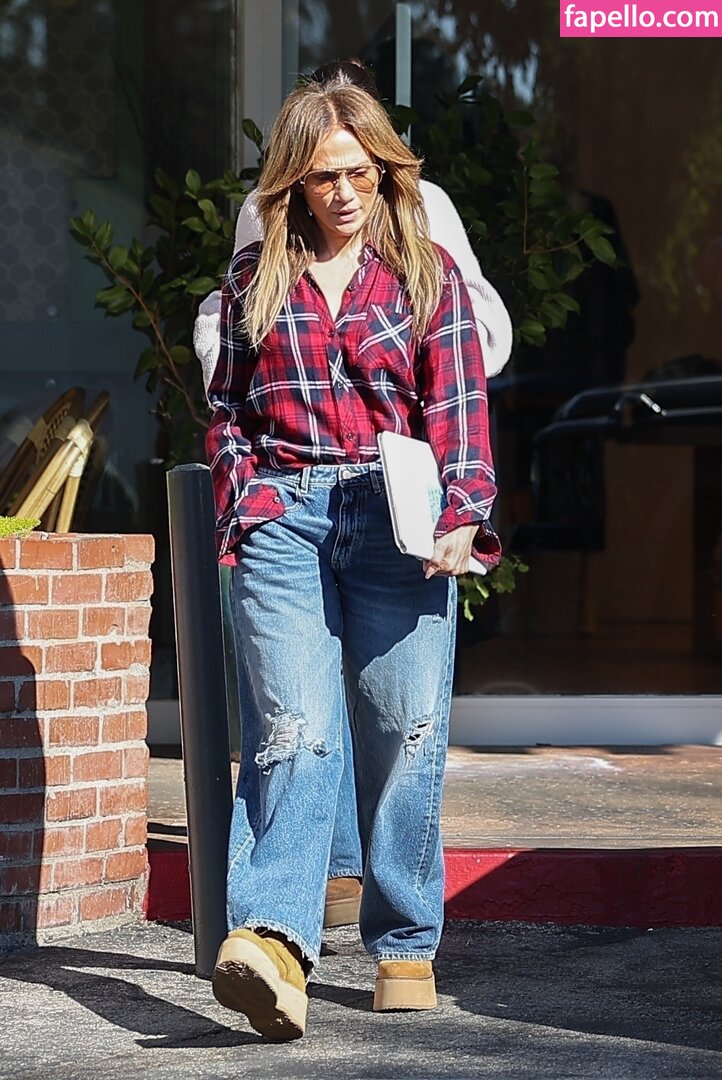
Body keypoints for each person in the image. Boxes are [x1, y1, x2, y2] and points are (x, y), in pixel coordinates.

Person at [205, 75, 501, 1041]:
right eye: (324, 176)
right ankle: (274, 943)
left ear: (386, 172)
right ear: (292, 181)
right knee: (295, 727)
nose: (344, 192)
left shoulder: (425, 271)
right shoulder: (255, 277)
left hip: (394, 519)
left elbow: (459, 403)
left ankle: (405, 941)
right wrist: (246, 501)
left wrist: (462, 512)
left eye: (361, 173)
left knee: (404, 728)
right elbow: (228, 409)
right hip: (284, 515)